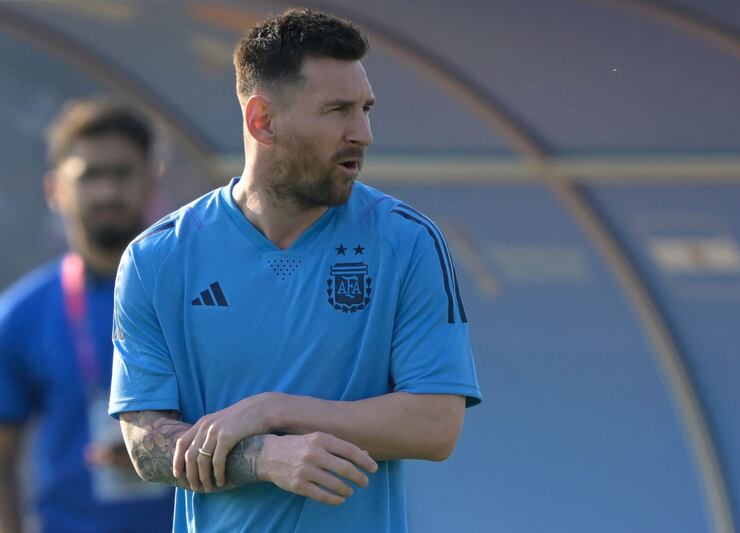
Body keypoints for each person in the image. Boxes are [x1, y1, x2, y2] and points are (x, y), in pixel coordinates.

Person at [111, 8, 482, 532]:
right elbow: (145, 446)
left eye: (366, 109)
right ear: (263, 120)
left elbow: (436, 425)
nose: (363, 133)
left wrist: (274, 409)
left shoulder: (406, 241)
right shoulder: (158, 258)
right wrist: (264, 458)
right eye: (337, 110)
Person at [0, 98, 175, 533]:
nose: (108, 192)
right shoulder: (22, 316)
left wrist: (162, 450)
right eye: (89, 176)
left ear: (153, 181)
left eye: (122, 173)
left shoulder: (200, 297)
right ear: (54, 190)